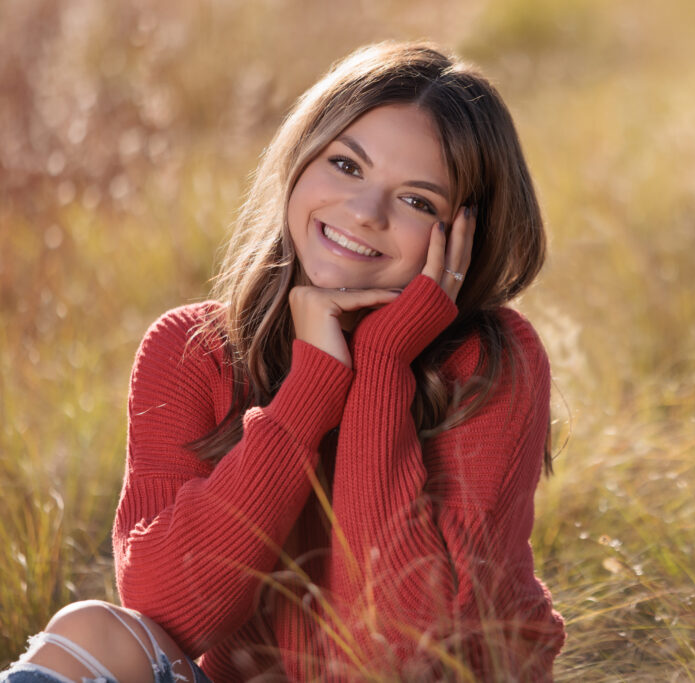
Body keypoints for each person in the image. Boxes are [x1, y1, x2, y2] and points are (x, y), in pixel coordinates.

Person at [1, 41, 565, 682]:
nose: (365, 213)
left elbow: (403, 655)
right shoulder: (194, 350)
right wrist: (311, 389)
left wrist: (381, 362)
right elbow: (166, 612)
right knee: (91, 630)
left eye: (416, 201)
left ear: (463, 235)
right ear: (302, 158)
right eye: (347, 166)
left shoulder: (492, 363)